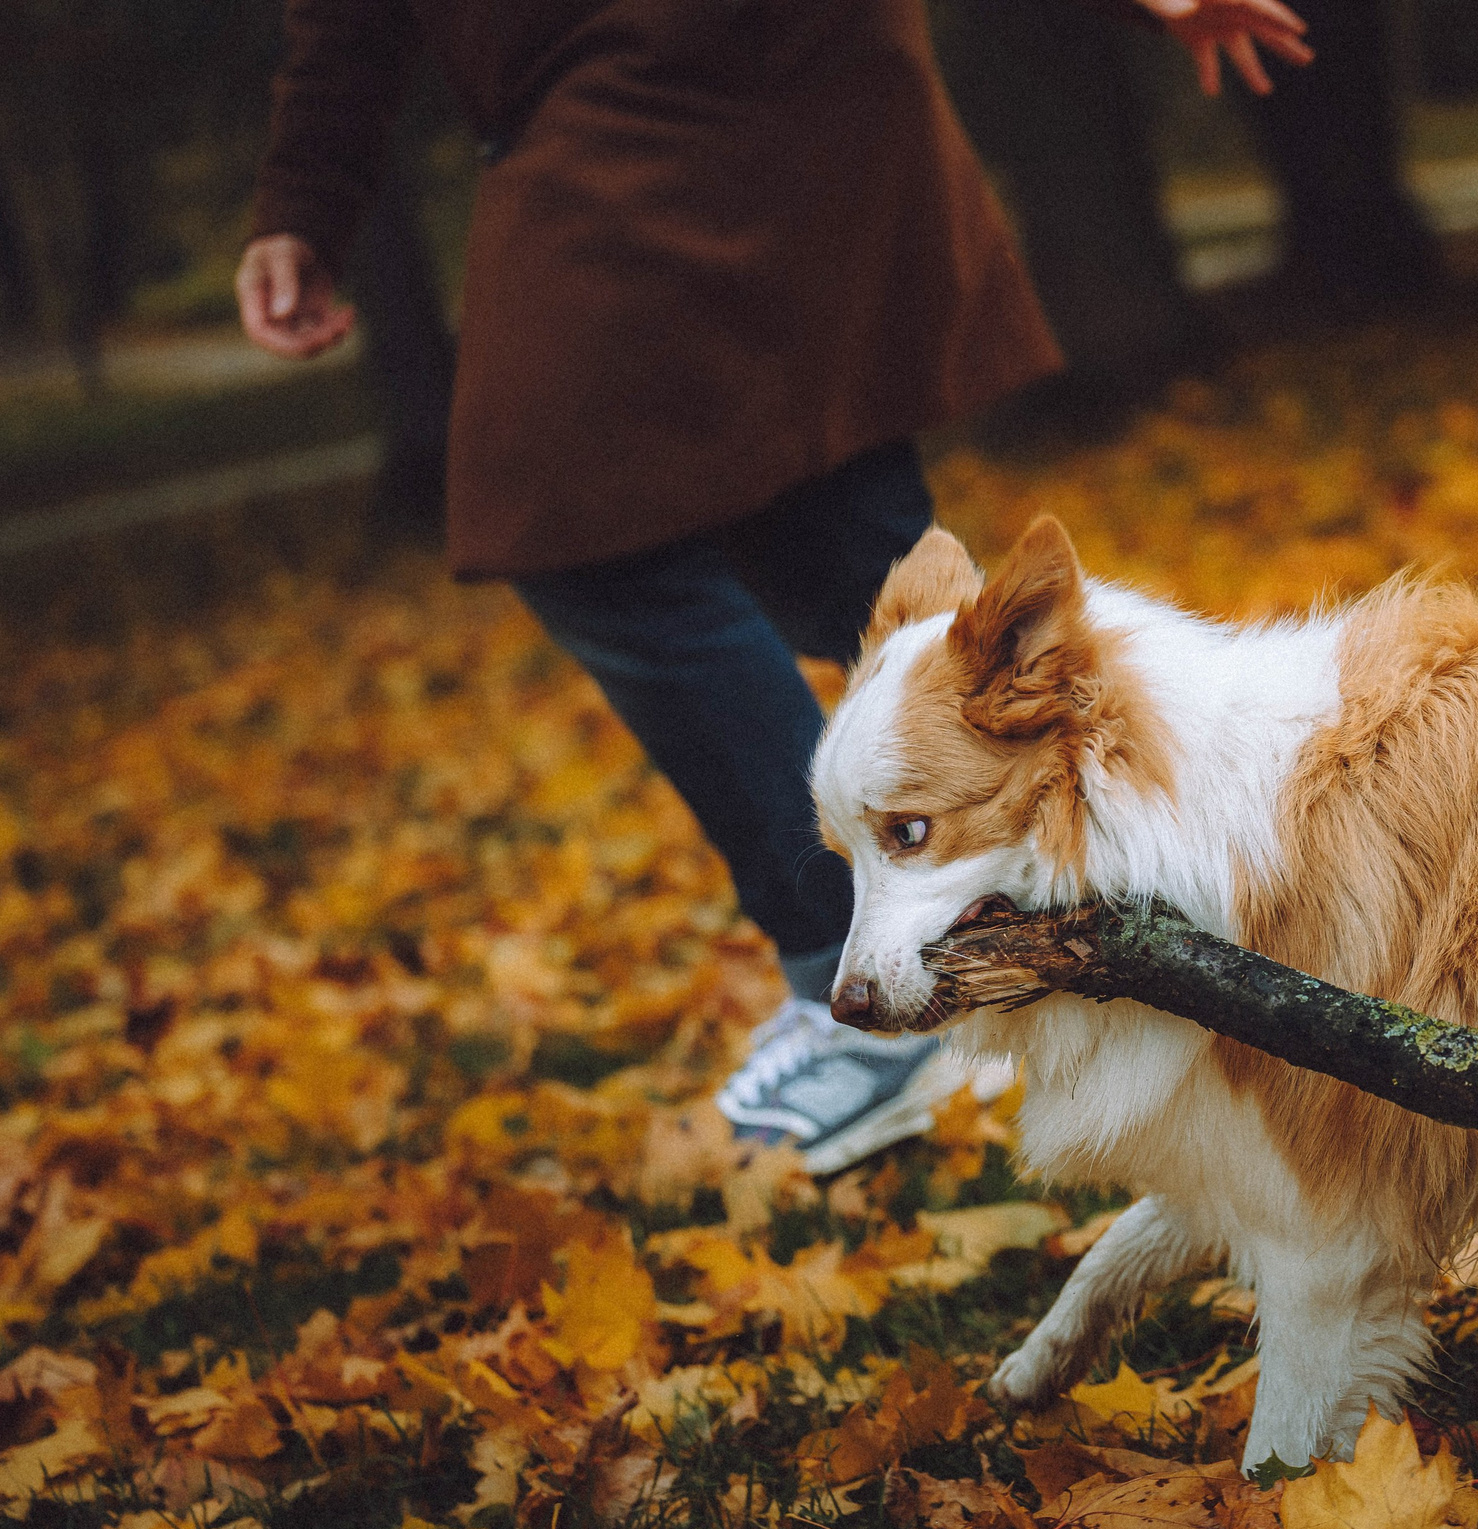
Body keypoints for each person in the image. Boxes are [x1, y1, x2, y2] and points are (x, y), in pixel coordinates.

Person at [237, 0, 1310, 1171]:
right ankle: (1174, 880)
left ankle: (902, 981)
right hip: (653, 94)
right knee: (844, 551)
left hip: (752, 66)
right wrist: (303, 197)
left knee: (604, 537)